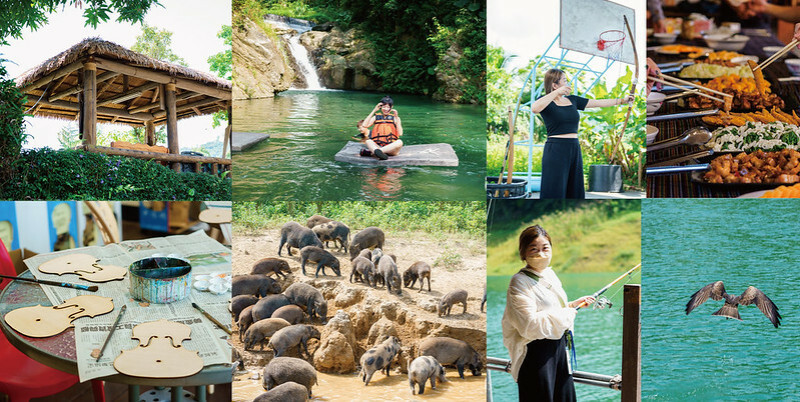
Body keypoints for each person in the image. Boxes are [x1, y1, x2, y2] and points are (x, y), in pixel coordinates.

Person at [501, 225, 596, 401]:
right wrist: (567, 313)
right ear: (523, 253)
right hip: (536, 353)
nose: (541, 254)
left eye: (545, 248)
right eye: (534, 249)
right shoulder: (519, 282)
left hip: (560, 349)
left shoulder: (550, 275)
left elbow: (550, 309)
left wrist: (573, 304)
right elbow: (529, 325)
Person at [531, 69, 634, 199]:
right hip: (556, 148)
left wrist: (622, 100)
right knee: (554, 186)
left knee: (574, 186)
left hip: (574, 147)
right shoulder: (545, 101)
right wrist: (556, 93)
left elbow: (598, 103)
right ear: (555, 85)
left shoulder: (572, 100)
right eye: (564, 81)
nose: (567, 84)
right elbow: (535, 108)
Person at [360, 96, 404, 160]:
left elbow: (400, 133)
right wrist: (374, 110)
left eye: (388, 107)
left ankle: (374, 152)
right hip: (378, 145)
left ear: (391, 107)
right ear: (380, 107)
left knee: (399, 142)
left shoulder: (395, 118)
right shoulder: (376, 117)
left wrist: (396, 117)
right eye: (384, 107)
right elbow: (364, 125)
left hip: (391, 148)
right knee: (368, 141)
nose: (386, 109)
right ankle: (379, 153)